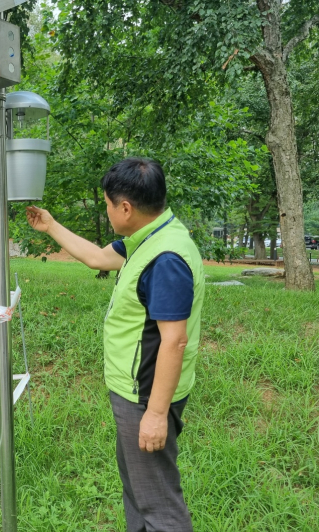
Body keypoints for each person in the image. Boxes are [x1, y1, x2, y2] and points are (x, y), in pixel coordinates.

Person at [26, 157, 204, 532]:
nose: (106, 212)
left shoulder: (166, 259)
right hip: (134, 391)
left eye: (108, 205)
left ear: (126, 207)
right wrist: (51, 225)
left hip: (146, 396)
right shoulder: (152, 235)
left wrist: (155, 415)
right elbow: (98, 258)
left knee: (158, 503)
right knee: (138, 490)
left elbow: (174, 341)